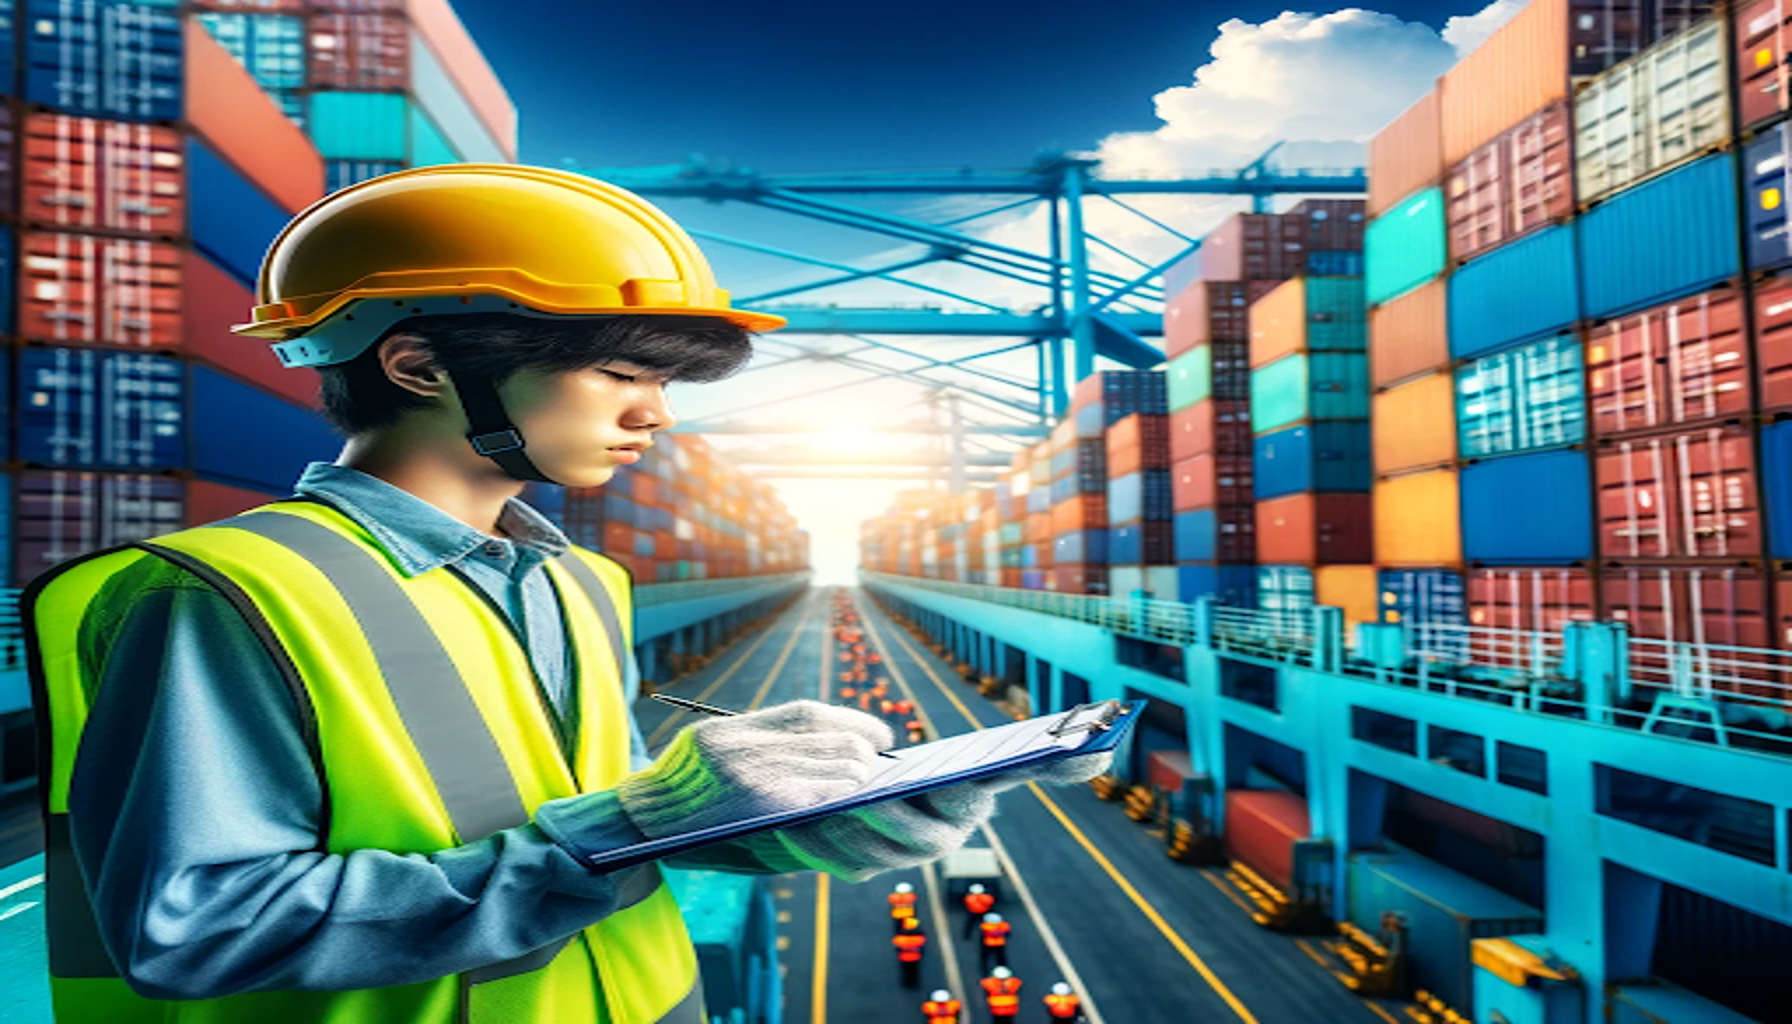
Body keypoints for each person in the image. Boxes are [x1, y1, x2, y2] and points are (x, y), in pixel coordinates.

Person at [27, 165, 1114, 1022]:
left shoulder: (583, 582)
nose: (657, 417)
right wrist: (629, 822)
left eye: (664, 383)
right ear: (417, 367)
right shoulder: (228, 597)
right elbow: (197, 930)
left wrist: (816, 819)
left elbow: (594, 834)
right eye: (623, 373)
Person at [893, 915, 928, 989]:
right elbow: (922, 945)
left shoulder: (900, 938)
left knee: (906, 971)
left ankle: (907, 983)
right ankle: (915, 983)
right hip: (915, 956)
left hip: (904, 957)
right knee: (915, 971)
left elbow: (897, 947)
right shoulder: (919, 938)